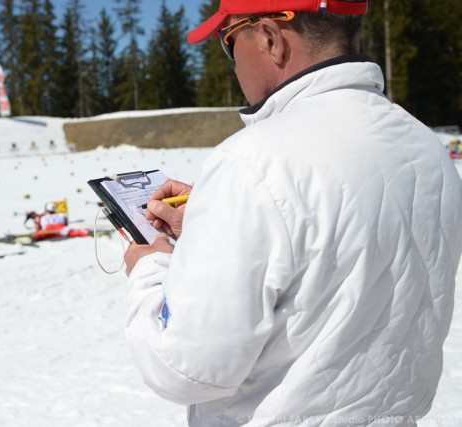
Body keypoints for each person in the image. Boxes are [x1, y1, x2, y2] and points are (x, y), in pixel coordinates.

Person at [123, 1, 462, 426]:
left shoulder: (252, 162)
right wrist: (217, 223)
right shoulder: (426, 147)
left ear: (270, 38)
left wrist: (149, 268)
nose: (232, 64)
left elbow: (187, 369)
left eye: (229, 42)